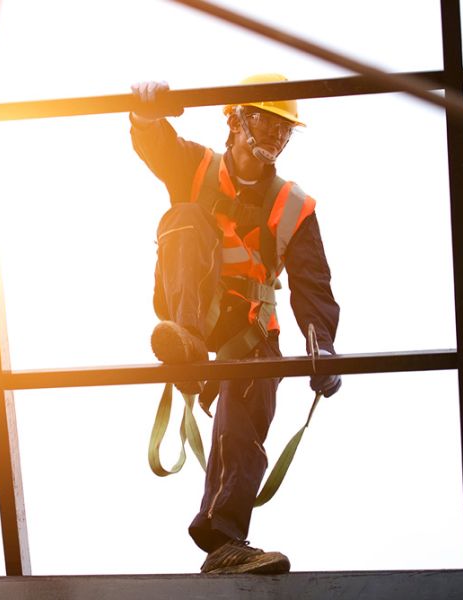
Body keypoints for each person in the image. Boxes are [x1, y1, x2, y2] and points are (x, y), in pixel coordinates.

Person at [129, 74, 342, 574]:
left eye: (282, 130)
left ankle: (223, 539)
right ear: (236, 121)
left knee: (252, 395)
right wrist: (146, 111)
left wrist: (324, 348)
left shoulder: (294, 206)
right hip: (191, 316)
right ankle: (185, 346)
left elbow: (314, 284)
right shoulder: (197, 167)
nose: (272, 137)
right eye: (264, 123)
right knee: (182, 216)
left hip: (248, 337)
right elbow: (156, 144)